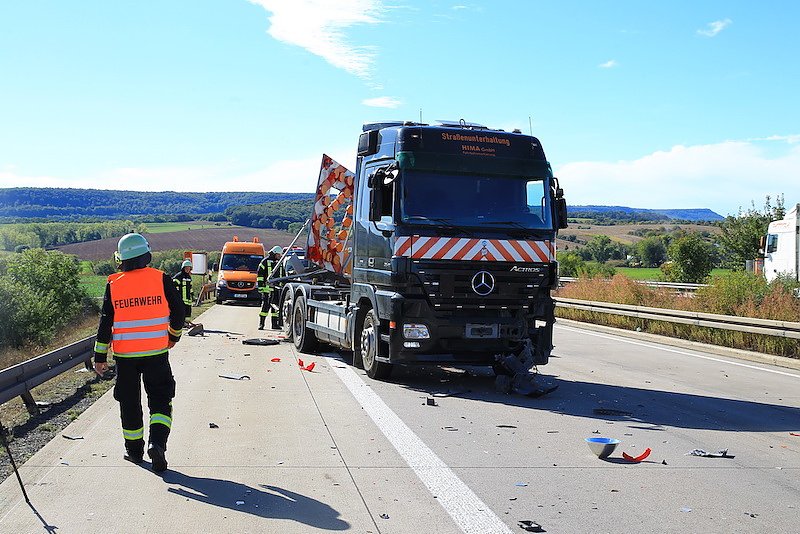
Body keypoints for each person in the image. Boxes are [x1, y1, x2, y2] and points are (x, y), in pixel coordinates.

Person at [93, 233, 185, 473]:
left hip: (125, 358)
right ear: (146, 254)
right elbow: (178, 311)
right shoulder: (161, 278)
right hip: (156, 354)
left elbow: (105, 323)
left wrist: (100, 357)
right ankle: (158, 444)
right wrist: (173, 336)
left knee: (129, 403)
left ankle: (134, 452)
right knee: (161, 399)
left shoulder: (114, 283)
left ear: (121, 259)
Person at [256, 246, 282, 330]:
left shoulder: (279, 262)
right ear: (274, 253)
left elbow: (282, 274)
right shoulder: (265, 262)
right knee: (265, 307)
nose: (280, 256)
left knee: (275, 307)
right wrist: (260, 286)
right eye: (278, 255)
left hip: (276, 289)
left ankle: (274, 324)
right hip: (266, 289)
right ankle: (261, 324)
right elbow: (260, 275)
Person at [173, 259, 194, 327]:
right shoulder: (179, 276)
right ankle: (182, 323)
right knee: (181, 312)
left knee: (188, 313)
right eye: (186, 268)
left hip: (188, 299)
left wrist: (192, 295)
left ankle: (186, 323)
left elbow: (190, 287)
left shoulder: (188, 277)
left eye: (189, 268)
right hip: (181, 299)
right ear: (183, 268)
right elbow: (173, 285)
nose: (188, 269)